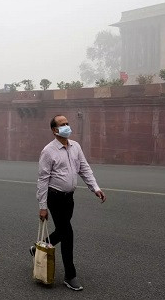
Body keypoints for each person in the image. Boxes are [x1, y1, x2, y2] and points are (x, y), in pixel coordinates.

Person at [31, 115, 106, 291]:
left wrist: (95, 187)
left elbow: (84, 168)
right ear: (54, 130)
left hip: (69, 198)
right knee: (68, 234)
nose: (67, 126)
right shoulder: (48, 151)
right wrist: (42, 207)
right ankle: (70, 276)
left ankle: (37, 249)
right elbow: (42, 180)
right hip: (54, 197)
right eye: (62, 124)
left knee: (62, 231)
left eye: (67, 123)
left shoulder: (75, 147)